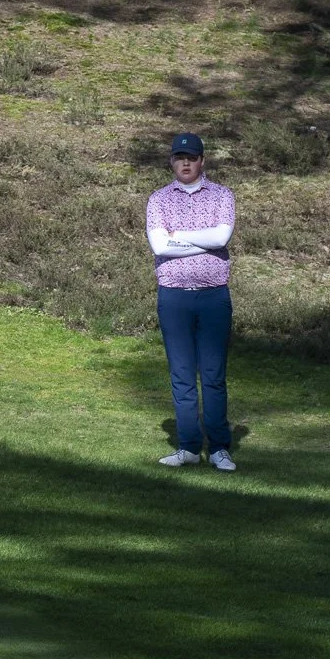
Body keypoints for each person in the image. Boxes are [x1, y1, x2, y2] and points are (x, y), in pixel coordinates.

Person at [146, 131, 238, 471]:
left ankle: (219, 448)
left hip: (214, 295)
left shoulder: (222, 195)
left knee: (213, 374)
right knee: (181, 373)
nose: (186, 162)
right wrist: (205, 242)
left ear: (202, 160)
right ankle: (187, 446)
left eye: (192, 157)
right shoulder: (158, 199)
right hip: (173, 296)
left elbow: (222, 236)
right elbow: (159, 246)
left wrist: (179, 237)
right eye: (180, 157)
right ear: (171, 161)